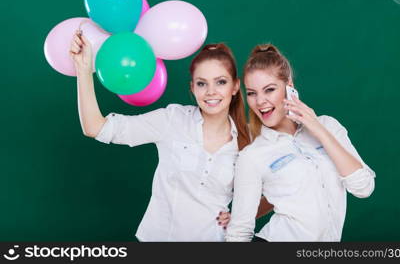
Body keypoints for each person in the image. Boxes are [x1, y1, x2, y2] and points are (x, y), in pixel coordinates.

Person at [69, 30, 252, 241]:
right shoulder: (171, 119)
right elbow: (95, 127)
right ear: (192, 88)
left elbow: (277, 191)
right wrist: (83, 69)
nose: (211, 91)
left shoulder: (246, 141)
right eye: (202, 83)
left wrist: (239, 217)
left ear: (235, 86)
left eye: (220, 82)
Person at [225, 44, 376, 242]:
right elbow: (238, 233)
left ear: (289, 86)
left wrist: (318, 129)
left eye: (269, 90)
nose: (260, 101)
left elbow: (363, 188)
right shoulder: (253, 155)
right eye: (252, 93)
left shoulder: (328, 126)